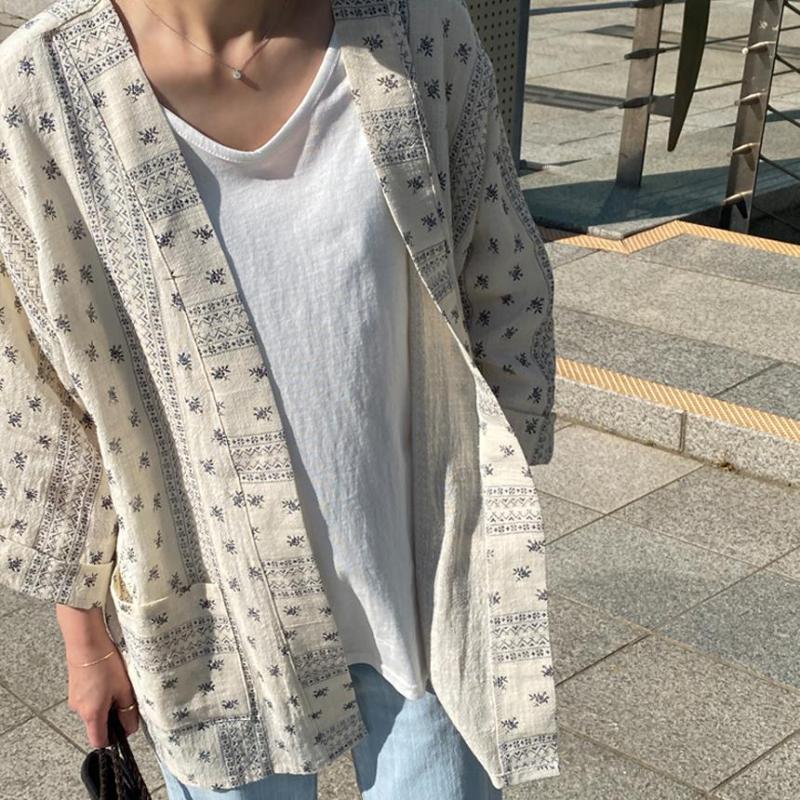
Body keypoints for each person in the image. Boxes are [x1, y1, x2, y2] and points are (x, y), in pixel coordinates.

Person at [0, 0, 559, 798]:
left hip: (429, 588)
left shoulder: (419, 31)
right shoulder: (41, 87)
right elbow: (47, 398)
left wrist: (496, 502)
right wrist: (84, 641)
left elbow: (504, 282)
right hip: (214, 619)